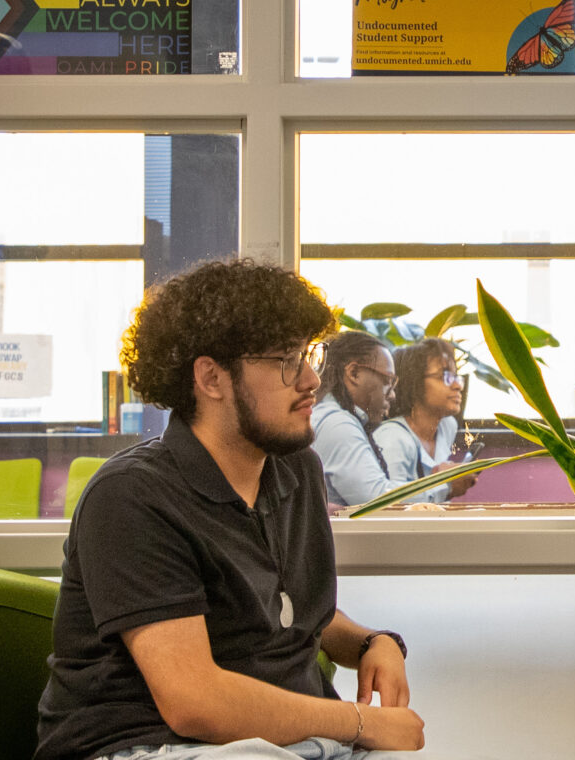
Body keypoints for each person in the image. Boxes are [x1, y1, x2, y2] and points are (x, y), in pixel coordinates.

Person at [34, 258, 433, 760]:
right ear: (211, 378)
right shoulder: (131, 497)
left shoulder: (295, 470)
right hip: (150, 746)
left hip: (287, 743)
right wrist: (359, 723)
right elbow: (193, 700)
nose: (311, 379)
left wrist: (374, 641)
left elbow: (291, 609)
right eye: (286, 359)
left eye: (310, 354)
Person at [370, 339, 473, 505]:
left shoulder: (447, 426)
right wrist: (445, 485)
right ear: (413, 382)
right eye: (445, 376)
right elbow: (391, 508)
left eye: (456, 376)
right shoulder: (392, 438)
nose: (457, 386)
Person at [312, 331, 400, 508]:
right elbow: (377, 502)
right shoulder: (337, 424)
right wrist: (444, 485)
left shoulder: (330, 415)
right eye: (387, 381)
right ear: (354, 373)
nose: (392, 395)